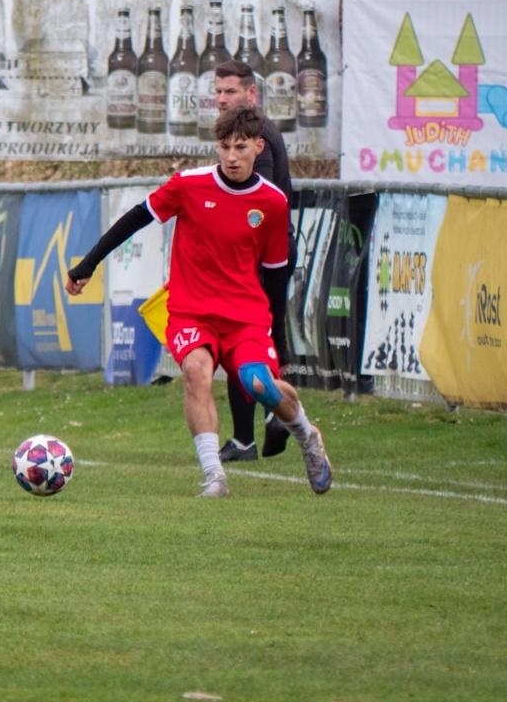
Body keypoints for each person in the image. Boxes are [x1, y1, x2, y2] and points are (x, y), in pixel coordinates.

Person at [65, 105, 331, 498]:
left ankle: (308, 438)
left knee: (258, 385)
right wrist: (87, 265)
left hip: (245, 318)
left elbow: (276, 274)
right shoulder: (188, 185)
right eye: (224, 147)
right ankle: (215, 477)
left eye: (240, 147)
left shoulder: (272, 203)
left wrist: (280, 339)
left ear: (259, 146)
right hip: (192, 312)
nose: (231, 156)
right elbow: (137, 218)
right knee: (195, 371)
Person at [210, 60, 296, 463]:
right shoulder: (245, 135)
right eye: (218, 90)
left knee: (244, 344)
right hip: (255, 256)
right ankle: (258, 428)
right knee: (257, 342)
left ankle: (266, 422)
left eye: (231, 90)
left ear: (251, 94)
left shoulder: (255, 137)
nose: (223, 98)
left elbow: (255, 207)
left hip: (259, 258)